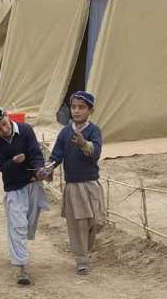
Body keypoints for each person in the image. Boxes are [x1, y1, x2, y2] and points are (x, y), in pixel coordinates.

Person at [0, 104, 49, 286]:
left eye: (3, 124)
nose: (4, 130)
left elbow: (35, 154)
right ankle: (21, 269)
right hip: (14, 188)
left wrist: (40, 169)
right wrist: (13, 161)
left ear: (6, 115)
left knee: (28, 224)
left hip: (33, 184)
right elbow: (1, 166)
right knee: (17, 225)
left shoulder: (25, 130)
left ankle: (19, 253)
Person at [45, 91, 105, 275]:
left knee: (97, 221)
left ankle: (85, 251)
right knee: (78, 224)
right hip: (74, 186)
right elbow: (56, 156)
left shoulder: (94, 131)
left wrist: (83, 143)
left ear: (90, 110)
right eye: (73, 107)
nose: (77, 111)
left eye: (81, 107)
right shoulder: (65, 132)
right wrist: (48, 168)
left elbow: (96, 152)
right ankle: (81, 260)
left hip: (92, 184)